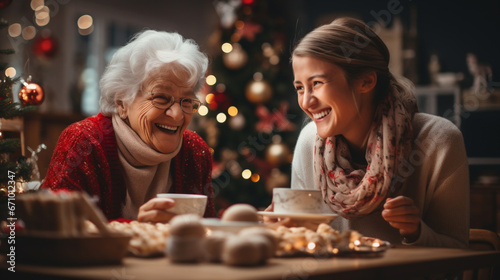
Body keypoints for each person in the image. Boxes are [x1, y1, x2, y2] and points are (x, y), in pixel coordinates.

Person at [267, 17, 469, 248]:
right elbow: (306, 243)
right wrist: (283, 230)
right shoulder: (308, 141)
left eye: (318, 83)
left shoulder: (438, 140)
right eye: (300, 88)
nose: (306, 102)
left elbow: (458, 253)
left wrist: (416, 233)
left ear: (366, 81)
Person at [41, 30, 215, 222]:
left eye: (187, 101)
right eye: (161, 98)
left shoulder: (195, 151)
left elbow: (206, 230)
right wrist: (141, 229)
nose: (177, 114)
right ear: (122, 103)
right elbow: (54, 229)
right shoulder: (84, 141)